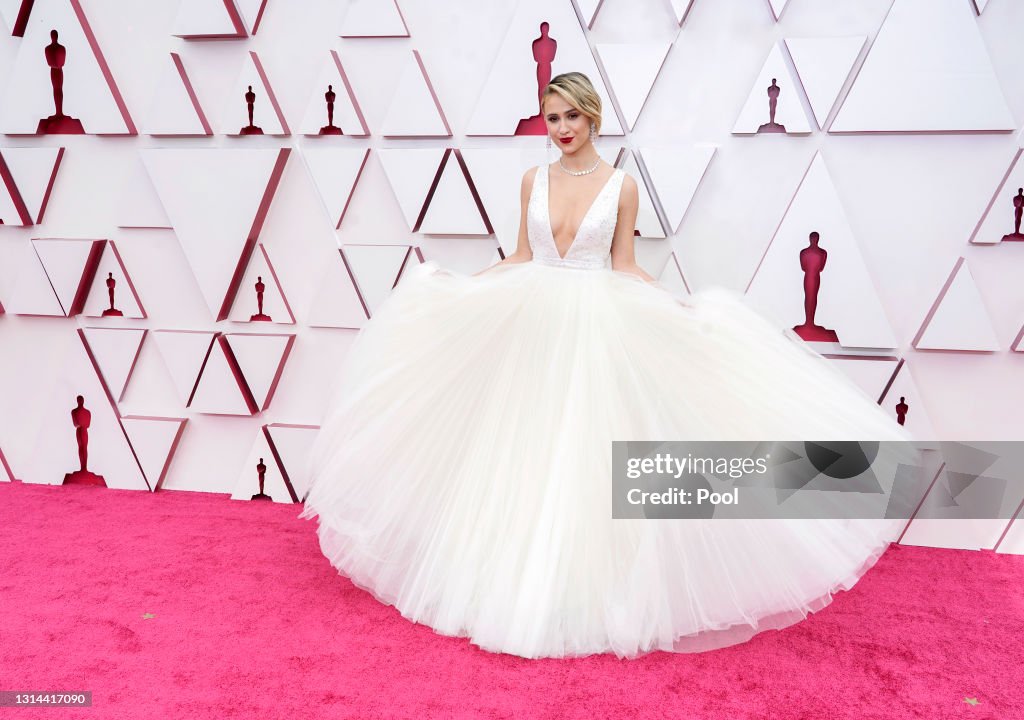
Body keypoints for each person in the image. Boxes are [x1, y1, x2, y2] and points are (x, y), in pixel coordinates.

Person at [299, 71, 915, 659]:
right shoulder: (529, 180)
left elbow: (622, 264)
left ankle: (579, 590)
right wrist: (463, 287)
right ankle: (508, 579)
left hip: (595, 324)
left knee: (582, 458)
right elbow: (520, 254)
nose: (561, 127)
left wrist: (675, 305)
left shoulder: (621, 185)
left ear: (592, 116)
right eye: (551, 118)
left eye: (570, 116)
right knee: (520, 452)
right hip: (529, 321)